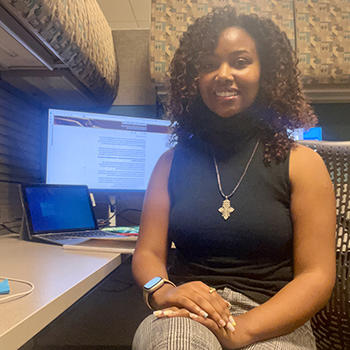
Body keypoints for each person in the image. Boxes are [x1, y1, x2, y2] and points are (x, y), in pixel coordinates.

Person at [132, 6, 336, 350]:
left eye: (240, 61)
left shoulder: (303, 164)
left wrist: (244, 328)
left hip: (275, 318)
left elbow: (316, 276)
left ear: (265, 72)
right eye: (209, 64)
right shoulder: (169, 163)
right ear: (194, 79)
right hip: (189, 311)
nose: (223, 74)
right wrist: (164, 290)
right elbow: (148, 253)